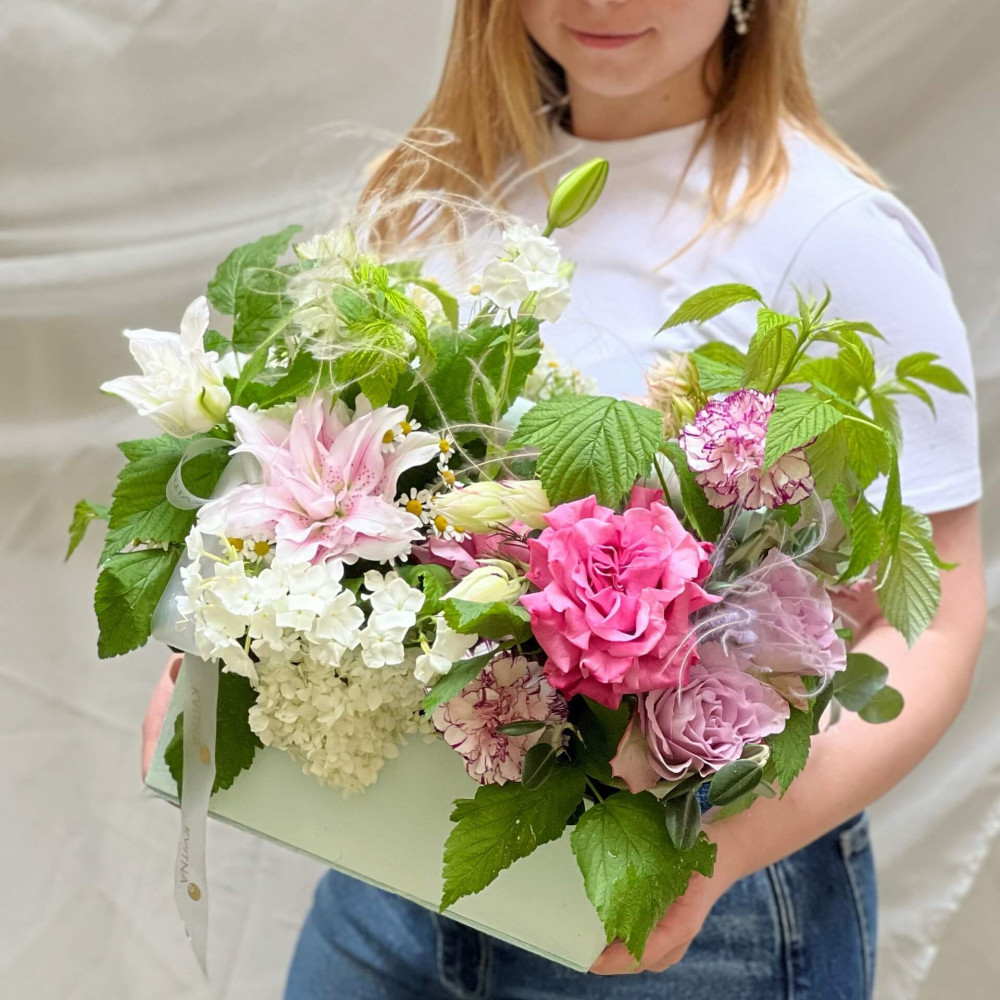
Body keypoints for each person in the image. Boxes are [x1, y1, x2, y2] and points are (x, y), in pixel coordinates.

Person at [142, 1, 986, 997]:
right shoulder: (430, 195)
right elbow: (312, 478)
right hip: (396, 868)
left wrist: (724, 849)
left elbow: (936, 618)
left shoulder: (831, 235)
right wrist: (211, 650)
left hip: (678, 894)